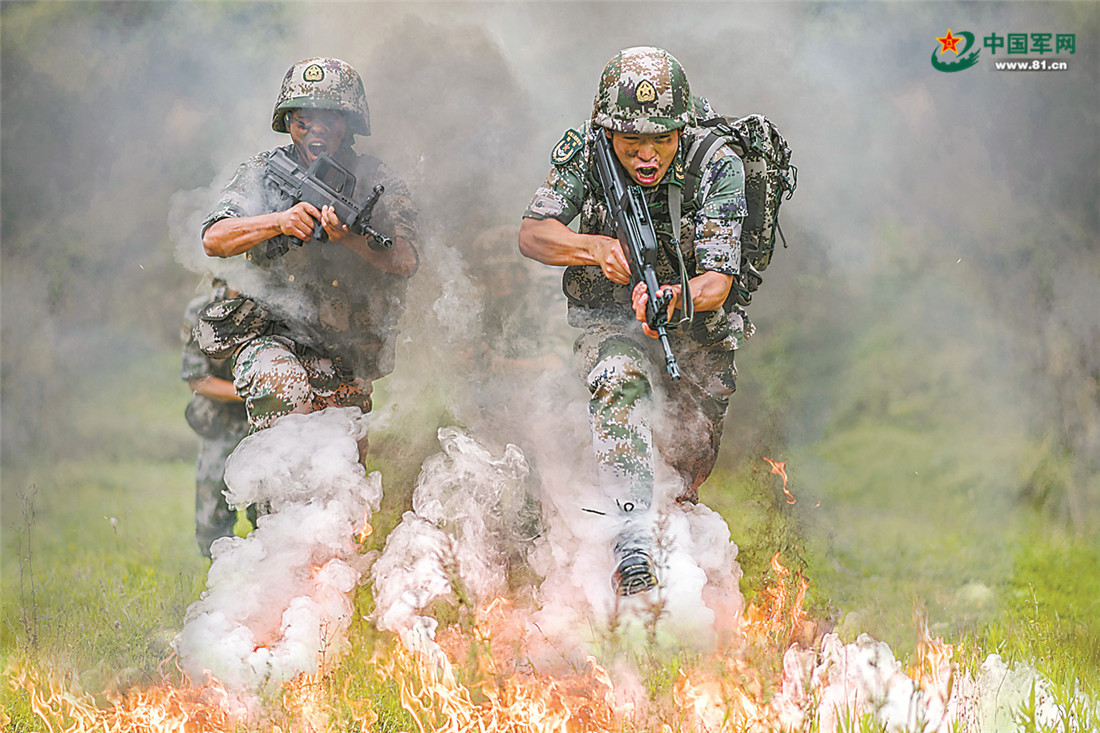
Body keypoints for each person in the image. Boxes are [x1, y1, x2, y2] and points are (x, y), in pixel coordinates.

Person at [518, 47, 749, 596]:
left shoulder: (716, 163)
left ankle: (677, 605)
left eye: (661, 139)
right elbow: (532, 234)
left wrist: (672, 299)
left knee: (679, 472)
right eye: (632, 141)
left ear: (681, 130)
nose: (647, 155)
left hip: (697, 338)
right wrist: (591, 247)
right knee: (617, 384)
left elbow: (718, 281)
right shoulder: (586, 152)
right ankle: (628, 546)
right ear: (609, 130)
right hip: (611, 323)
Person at [199, 57, 419, 438]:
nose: (316, 130)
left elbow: (405, 260)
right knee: (286, 410)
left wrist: (349, 239)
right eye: (304, 119)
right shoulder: (264, 171)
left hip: (345, 349)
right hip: (272, 332)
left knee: (340, 470)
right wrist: (278, 221)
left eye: (329, 119)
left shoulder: (377, 181)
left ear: (348, 124)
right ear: (287, 122)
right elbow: (215, 239)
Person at [180, 278, 253, 558]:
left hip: (266, 427)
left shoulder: (273, 307)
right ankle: (223, 587)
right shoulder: (202, 310)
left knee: (271, 519)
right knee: (211, 526)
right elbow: (198, 380)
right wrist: (251, 390)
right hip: (220, 427)